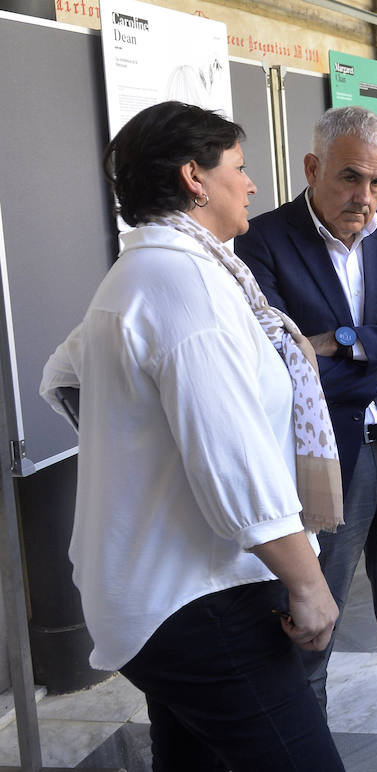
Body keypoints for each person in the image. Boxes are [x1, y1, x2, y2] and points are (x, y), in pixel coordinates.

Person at [40, 101, 346, 770]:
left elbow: (69, 381)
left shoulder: (151, 275)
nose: (253, 184)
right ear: (194, 178)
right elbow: (230, 457)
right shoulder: (184, 284)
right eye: (239, 168)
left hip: (169, 594)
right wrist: (308, 582)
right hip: (198, 600)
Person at [235, 105, 377, 772]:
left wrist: (348, 342)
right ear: (312, 169)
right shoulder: (265, 241)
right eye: (351, 179)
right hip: (321, 466)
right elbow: (282, 367)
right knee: (311, 635)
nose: (365, 198)